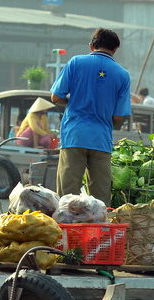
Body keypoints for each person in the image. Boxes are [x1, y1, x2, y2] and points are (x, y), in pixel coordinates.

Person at [51, 28, 131, 206]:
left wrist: (73, 101)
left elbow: (56, 97)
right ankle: (98, 232)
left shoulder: (76, 62)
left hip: (74, 136)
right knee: (100, 199)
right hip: (101, 139)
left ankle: (67, 231)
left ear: (92, 45)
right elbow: (118, 117)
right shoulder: (123, 75)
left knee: (67, 196)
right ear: (115, 49)